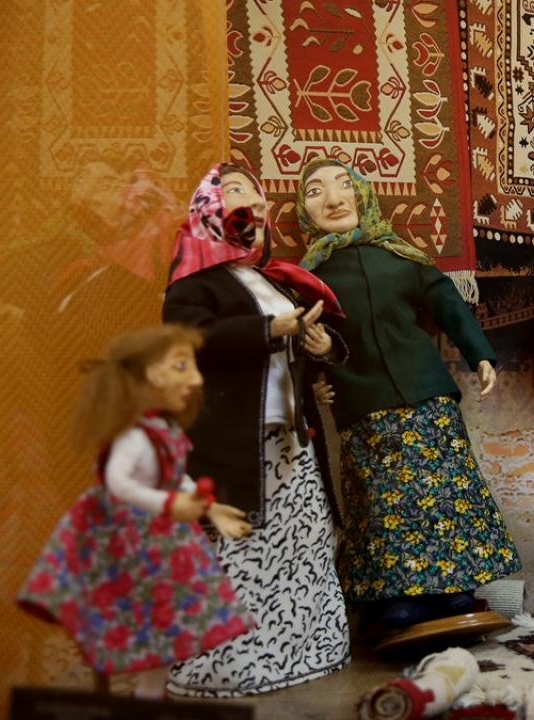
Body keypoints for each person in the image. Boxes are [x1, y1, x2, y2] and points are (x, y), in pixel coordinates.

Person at [297, 158, 520, 633]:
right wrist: (313, 371)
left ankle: (456, 591)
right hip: (361, 403)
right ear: (304, 211)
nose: (333, 199)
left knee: (446, 493)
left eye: (344, 185)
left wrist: (480, 355)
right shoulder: (306, 278)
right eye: (315, 191)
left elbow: (448, 303)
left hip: (427, 395)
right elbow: (298, 344)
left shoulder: (402, 256)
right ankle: (394, 601)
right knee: (382, 503)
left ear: (363, 193)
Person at [163, 163, 351, 696]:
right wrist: (270, 328)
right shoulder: (194, 283)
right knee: (242, 550)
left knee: (301, 543)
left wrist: (321, 346)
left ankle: (309, 650)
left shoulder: (271, 279)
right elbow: (191, 339)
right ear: (207, 208)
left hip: (289, 436)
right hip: (238, 441)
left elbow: (304, 343)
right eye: (235, 192)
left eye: (256, 195)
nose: (254, 205)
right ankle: (232, 667)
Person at [17, 324, 253, 699]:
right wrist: (168, 504)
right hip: (125, 540)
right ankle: (134, 689)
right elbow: (118, 483)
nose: (195, 379)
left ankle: (149, 695)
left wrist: (207, 507)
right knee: (135, 618)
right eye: (181, 366)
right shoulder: (133, 436)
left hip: (160, 540)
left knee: (164, 624)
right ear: (149, 375)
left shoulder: (163, 429)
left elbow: (174, 475)